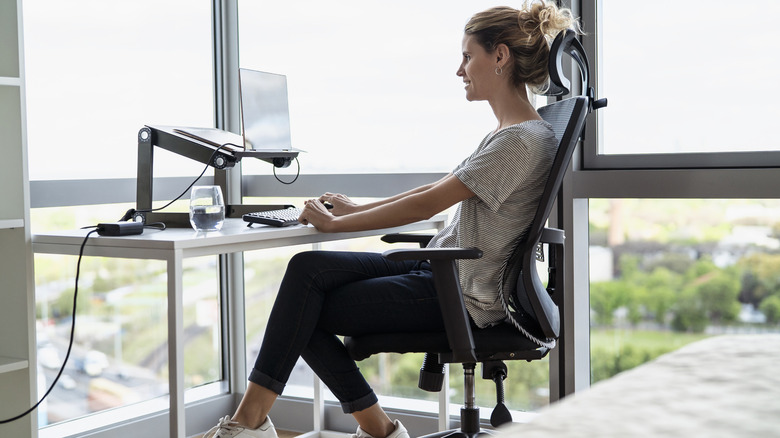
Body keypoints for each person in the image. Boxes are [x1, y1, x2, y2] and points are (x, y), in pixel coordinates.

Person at [204, 2, 578, 437]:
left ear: (500, 57)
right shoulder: (510, 133)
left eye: (466, 56)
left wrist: (333, 227)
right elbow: (431, 192)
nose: (460, 70)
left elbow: (426, 207)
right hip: (440, 271)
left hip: (461, 293)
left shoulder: (518, 141)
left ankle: (254, 425)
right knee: (306, 270)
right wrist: (354, 211)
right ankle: (352, 429)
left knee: (304, 310)